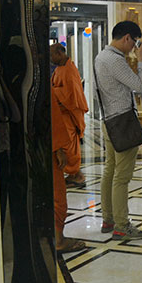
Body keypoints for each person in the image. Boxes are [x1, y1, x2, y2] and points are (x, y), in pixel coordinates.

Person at [94, 20, 142, 240]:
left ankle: (108, 219)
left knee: (110, 171)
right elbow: (140, 86)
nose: (134, 47)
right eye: (134, 42)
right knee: (121, 177)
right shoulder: (115, 60)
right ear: (127, 38)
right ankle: (121, 225)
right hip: (123, 122)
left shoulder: (101, 57)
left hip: (109, 121)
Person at [50, 43, 89, 186]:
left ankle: (77, 175)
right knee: (64, 144)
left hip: (69, 114)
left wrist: (53, 91)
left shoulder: (69, 69)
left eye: (52, 55)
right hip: (61, 114)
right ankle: (73, 174)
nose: (50, 58)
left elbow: (71, 95)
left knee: (69, 146)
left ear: (60, 53)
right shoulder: (60, 68)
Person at [52, 89, 86, 252]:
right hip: (50, 141)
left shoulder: (66, 73)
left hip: (57, 129)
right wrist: (58, 147)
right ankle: (58, 239)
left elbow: (73, 97)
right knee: (57, 196)